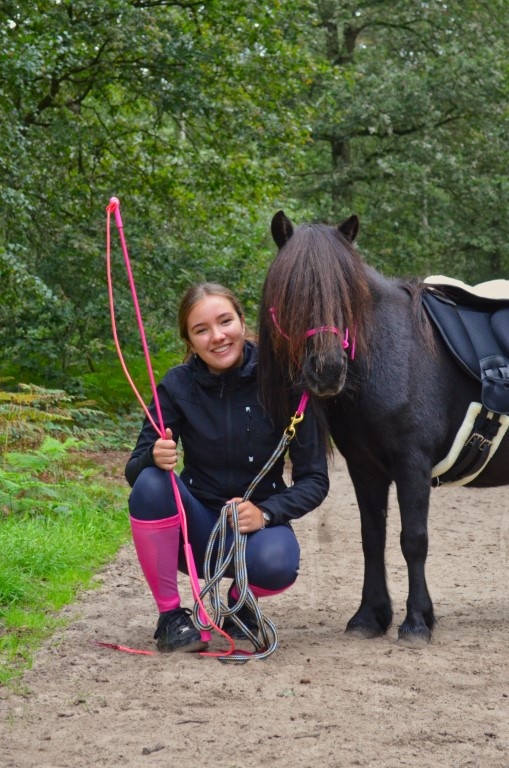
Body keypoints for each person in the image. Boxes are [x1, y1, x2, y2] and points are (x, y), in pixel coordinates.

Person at [125, 282, 329, 653]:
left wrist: (267, 512)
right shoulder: (176, 386)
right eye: (201, 330)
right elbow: (133, 471)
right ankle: (171, 619)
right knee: (152, 482)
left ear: (241, 321)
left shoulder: (285, 381)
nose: (217, 337)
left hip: (256, 530)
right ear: (189, 340)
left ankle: (238, 603)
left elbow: (314, 479)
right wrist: (153, 456)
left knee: (278, 564)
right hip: (198, 530)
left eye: (224, 322)